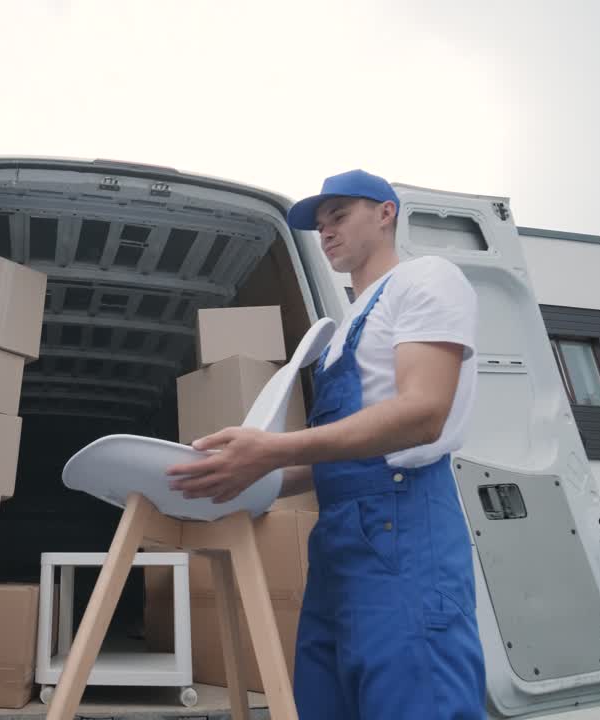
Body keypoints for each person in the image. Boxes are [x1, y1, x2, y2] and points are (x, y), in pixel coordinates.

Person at [166, 170, 486, 718]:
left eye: (339, 215)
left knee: (415, 695)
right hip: (339, 538)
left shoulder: (426, 280)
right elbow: (337, 455)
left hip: (403, 528)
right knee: (324, 699)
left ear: (386, 212)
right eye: (319, 224)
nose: (326, 232)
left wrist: (272, 450)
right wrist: (240, 477)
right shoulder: (340, 334)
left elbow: (422, 414)